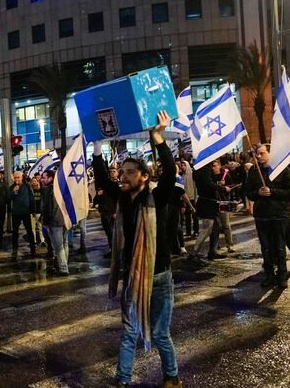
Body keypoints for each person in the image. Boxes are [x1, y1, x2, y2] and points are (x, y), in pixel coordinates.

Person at [93, 111, 180, 388]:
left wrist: (158, 138)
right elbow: (103, 180)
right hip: (133, 275)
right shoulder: (123, 198)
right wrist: (96, 148)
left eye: (130, 172)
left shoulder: (157, 196)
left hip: (159, 276)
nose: (123, 175)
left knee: (159, 332)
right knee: (129, 331)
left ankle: (172, 377)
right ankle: (122, 381)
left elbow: (170, 172)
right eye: (122, 171)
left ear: (145, 176)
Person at [244, 144, 290, 288]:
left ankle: (282, 276)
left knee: (280, 247)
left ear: (270, 153)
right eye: (257, 154)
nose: (259, 156)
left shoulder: (283, 169)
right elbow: (248, 192)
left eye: (262, 153)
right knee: (265, 247)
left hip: (279, 214)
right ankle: (269, 275)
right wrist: (258, 193)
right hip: (262, 215)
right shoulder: (254, 172)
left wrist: (272, 191)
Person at [188, 162, 231, 264]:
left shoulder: (201, 167)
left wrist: (217, 184)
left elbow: (207, 183)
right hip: (206, 203)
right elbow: (207, 184)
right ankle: (194, 253)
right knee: (207, 228)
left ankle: (212, 251)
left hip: (208, 202)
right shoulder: (204, 168)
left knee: (215, 227)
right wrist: (223, 188)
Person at [41, 170, 70, 276]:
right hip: (65, 220)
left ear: (51, 178)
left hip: (55, 221)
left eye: (44, 177)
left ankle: (63, 268)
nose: (42, 179)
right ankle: (62, 263)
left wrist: (45, 222)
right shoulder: (63, 187)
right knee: (64, 244)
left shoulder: (48, 189)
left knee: (58, 246)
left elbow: (47, 207)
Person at [9, 171, 36, 260]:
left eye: (18, 177)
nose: (17, 179)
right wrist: (13, 192)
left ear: (22, 178)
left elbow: (32, 198)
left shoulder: (27, 186)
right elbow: (9, 198)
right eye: (15, 178)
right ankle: (15, 249)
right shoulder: (12, 187)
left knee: (29, 231)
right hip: (16, 213)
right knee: (15, 232)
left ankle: (33, 249)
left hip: (26, 212)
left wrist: (33, 211)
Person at [30, 176, 46, 247]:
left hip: (39, 211)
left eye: (35, 181)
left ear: (38, 181)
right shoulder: (30, 191)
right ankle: (34, 241)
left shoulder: (41, 190)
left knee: (40, 227)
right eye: (32, 181)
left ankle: (42, 241)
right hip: (31, 212)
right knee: (32, 228)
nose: (34, 182)